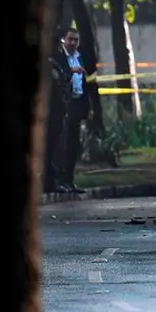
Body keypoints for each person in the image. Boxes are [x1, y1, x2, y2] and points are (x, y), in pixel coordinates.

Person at [61, 28, 95, 193]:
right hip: (63, 105)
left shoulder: (82, 57)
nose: (73, 43)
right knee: (63, 143)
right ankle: (59, 180)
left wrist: (89, 107)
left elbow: (89, 83)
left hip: (78, 103)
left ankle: (70, 180)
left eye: (76, 40)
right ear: (64, 40)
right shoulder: (60, 57)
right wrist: (70, 71)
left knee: (74, 144)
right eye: (70, 39)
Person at [44, 32, 72, 193]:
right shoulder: (50, 65)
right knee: (51, 148)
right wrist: (64, 106)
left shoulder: (57, 63)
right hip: (53, 113)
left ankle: (54, 180)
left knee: (55, 147)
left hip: (57, 112)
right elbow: (56, 91)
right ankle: (50, 181)